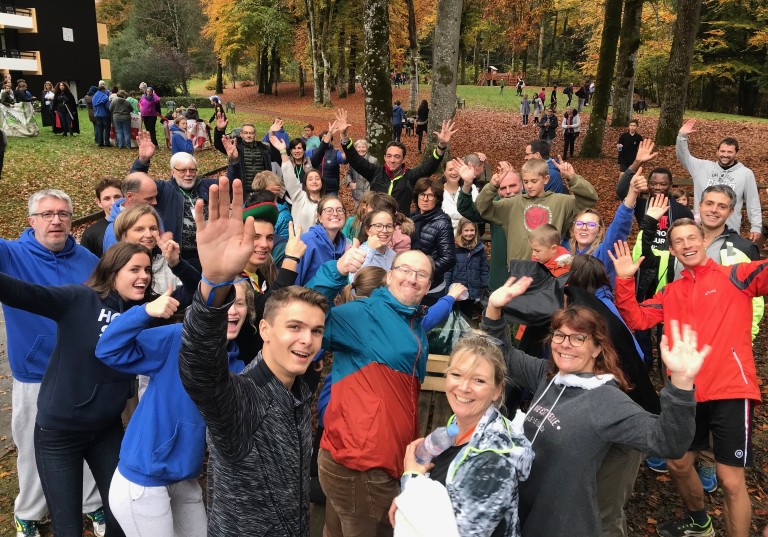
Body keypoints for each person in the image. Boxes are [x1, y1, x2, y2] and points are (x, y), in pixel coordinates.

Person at [483, 277, 704, 537]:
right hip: (522, 512)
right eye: (560, 335)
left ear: (597, 348)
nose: (565, 343)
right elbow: (502, 355)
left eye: (578, 338)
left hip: (561, 525)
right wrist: (494, 310)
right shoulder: (549, 377)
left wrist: (681, 384)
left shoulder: (605, 400)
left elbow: (668, 443)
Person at [0, 241, 187, 537]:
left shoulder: (147, 310)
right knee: (68, 527)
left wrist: (178, 265)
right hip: (59, 433)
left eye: (148, 270)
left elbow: (202, 296)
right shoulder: (79, 299)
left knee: (121, 518)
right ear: (112, 272)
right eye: (134, 269)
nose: (144, 276)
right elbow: (22, 293)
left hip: (107, 430)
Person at [178, 177, 331, 536]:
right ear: (264, 331)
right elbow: (200, 371)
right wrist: (214, 283)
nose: (306, 340)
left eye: (315, 331)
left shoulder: (296, 389)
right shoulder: (245, 398)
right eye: (294, 327)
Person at [611, 226, 767, 537]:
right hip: (687, 394)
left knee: (730, 478)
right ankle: (700, 523)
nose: (686, 245)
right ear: (673, 250)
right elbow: (637, 318)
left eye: (692, 238)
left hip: (731, 389)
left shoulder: (736, 275)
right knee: (678, 464)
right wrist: (625, 279)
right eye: (678, 241)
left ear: (705, 241)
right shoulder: (671, 292)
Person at [94, 281, 249, 537]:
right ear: (205, 310)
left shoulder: (236, 366)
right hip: (144, 479)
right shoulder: (178, 338)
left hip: (185, 478)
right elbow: (108, 349)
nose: (232, 311)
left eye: (239, 303)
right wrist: (144, 312)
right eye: (225, 303)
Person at [1, 190, 108, 537]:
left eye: (63, 213)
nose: (56, 220)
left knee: (86, 441)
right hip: (35, 373)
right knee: (32, 448)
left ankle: (92, 505)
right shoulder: (11, 254)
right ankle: (30, 512)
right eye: (46, 214)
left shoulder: (88, 260)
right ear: (32, 221)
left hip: (81, 372)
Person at [318, 249, 436, 537]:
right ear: (389, 275)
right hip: (362, 466)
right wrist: (334, 272)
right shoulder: (365, 313)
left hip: (375, 462)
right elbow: (303, 314)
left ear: (429, 285)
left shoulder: (413, 322)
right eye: (405, 270)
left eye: (422, 274)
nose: (413, 278)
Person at [390, 332, 534, 537]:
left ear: (497, 390)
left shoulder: (494, 461)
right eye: (457, 375)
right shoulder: (457, 427)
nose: (464, 388)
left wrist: (411, 479)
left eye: (479, 380)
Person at [336, 108, 456, 215]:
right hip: (376, 225)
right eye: (389, 156)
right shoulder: (375, 173)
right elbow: (355, 160)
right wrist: (344, 136)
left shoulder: (410, 176)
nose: (392, 160)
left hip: (400, 228)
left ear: (403, 159)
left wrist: (441, 145)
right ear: (385, 158)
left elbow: (429, 167)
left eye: (397, 157)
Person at [475, 157, 598, 262]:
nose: (529, 186)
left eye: (534, 181)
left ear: (546, 179)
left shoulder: (561, 202)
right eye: (526, 181)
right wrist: (492, 186)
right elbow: (482, 207)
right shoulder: (512, 204)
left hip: (550, 267)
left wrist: (572, 177)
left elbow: (589, 199)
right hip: (520, 266)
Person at [676, 119, 760, 241]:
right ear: (717, 151)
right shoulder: (702, 167)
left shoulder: (745, 174)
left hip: (729, 229)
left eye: (730, 152)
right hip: (700, 227)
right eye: (722, 151)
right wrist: (682, 136)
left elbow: (753, 201)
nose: (725, 155)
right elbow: (682, 156)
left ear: (736, 153)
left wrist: (756, 226)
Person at [567, 171, 642, 286]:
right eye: (580, 224)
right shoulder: (565, 250)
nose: (584, 228)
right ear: (573, 228)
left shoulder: (604, 252)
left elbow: (618, 227)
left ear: (599, 231)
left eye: (591, 225)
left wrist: (632, 193)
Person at [457, 162, 522, 290]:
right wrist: (467, 184)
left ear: (522, 185)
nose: (508, 192)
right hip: (501, 276)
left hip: (527, 277)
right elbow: (466, 209)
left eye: (513, 186)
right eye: (503, 188)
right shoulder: (495, 206)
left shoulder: (533, 206)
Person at [113, 204, 200, 297]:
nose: (148, 234)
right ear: (123, 235)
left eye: (153, 228)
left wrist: (176, 263)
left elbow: (196, 289)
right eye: (139, 229)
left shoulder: (165, 262)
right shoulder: (114, 265)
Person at [214, 114, 281, 200]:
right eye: (246, 133)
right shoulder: (235, 147)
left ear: (255, 134)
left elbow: (276, 156)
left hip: (262, 191)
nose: (248, 135)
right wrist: (220, 130)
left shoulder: (264, 148)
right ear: (241, 134)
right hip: (243, 192)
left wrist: (272, 134)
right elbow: (219, 145)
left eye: (251, 133)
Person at [411, 178, 456, 303]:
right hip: (410, 282)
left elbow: (448, 258)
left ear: (437, 199)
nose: (425, 199)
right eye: (422, 194)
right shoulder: (412, 218)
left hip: (432, 287)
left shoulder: (442, 223)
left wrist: (424, 273)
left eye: (430, 196)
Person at [273, 134, 325, 232]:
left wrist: (329, 134)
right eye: (294, 148)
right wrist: (272, 133)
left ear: (304, 150)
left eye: (300, 148)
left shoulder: (310, 162)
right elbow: (287, 171)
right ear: (291, 151)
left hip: (306, 199)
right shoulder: (286, 162)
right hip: (287, 199)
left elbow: (321, 151)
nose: (297, 151)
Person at [294, 197, 349, 286]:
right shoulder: (308, 241)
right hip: (306, 297)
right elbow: (295, 279)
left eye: (339, 210)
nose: (335, 214)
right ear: (320, 217)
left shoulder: (343, 243)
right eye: (329, 210)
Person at [444, 218, 489, 300]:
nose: (469, 233)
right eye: (466, 230)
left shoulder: (479, 248)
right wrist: (447, 291)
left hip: (474, 291)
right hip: (458, 291)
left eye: (472, 230)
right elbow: (448, 271)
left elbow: (484, 270)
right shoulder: (454, 247)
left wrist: (484, 287)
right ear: (461, 231)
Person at [81, 178, 124, 258]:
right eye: (107, 198)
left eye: (117, 197)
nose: (113, 203)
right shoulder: (91, 234)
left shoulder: (138, 224)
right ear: (99, 202)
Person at [353, 209, 396, 280]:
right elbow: (354, 281)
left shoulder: (393, 255)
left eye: (389, 226)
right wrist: (371, 250)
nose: (385, 231)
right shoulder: (358, 253)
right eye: (378, 226)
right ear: (367, 230)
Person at [307, 126, 347, 196]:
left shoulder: (336, 153)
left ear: (331, 140)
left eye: (328, 138)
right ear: (321, 140)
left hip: (331, 189)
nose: (326, 139)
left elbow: (345, 159)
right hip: (315, 188)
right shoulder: (312, 152)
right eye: (324, 138)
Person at [441, 158, 477, 230]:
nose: (454, 173)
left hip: (468, 234)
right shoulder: (437, 191)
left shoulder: (471, 188)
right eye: (450, 170)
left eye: (456, 169)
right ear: (444, 172)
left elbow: (476, 211)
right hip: (444, 233)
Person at [344, 139, 377, 207]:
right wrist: (350, 182)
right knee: (358, 213)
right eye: (359, 147)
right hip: (357, 192)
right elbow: (349, 173)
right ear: (355, 148)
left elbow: (377, 175)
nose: (361, 149)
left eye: (363, 147)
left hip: (369, 192)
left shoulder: (373, 160)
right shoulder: (353, 161)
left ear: (367, 148)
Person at [92, 82, 112, 148]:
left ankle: (100, 143)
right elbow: (108, 107)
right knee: (106, 129)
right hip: (105, 115)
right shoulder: (105, 97)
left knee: (100, 129)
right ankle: (107, 142)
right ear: (103, 90)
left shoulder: (94, 96)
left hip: (97, 114)